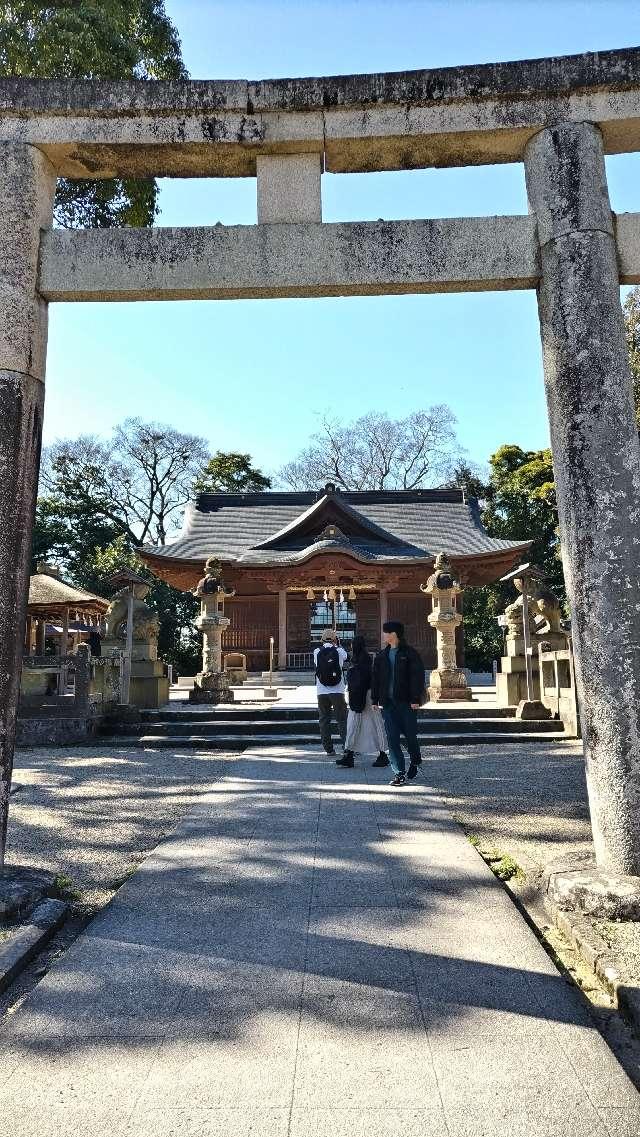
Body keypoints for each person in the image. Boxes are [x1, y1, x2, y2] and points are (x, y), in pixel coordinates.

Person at [372, 620, 426, 787]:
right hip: (388, 704)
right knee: (392, 738)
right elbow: (376, 680)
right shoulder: (381, 656)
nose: (383, 635)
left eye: (385, 632)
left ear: (393, 634)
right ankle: (399, 773)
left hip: (407, 703)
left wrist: (416, 699)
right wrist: (375, 699)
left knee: (410, 736)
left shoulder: (409, 653)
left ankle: (415, 760)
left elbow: (417, 677)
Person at [337, 635, 389, 769]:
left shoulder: (359, 661)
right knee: (372, 724)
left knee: (359, 724)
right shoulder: (366, 660)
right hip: (366, 695)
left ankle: (380, 754)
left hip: (364, 696)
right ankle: (351, 753)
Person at [314, 630, 348, 756]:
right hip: (338, 690)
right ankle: (346, 747)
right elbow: (346, 657)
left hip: (321, 690)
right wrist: (338, 645)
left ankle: (329, 749)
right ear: (335, 640)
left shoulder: (316, 652)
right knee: (342, 719)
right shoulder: (339, 651)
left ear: (322, 640)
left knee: (324, 719)